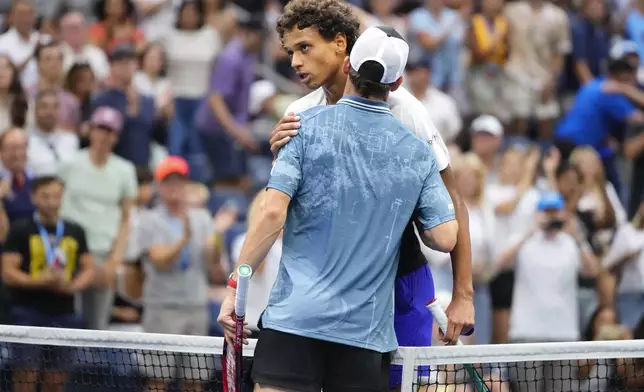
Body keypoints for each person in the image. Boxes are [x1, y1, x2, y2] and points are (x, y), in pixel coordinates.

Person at [219, 25, 458, 392]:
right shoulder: (417, 153)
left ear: (347, 67)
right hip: (363, 336)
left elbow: (270, 215)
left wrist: (236, 288)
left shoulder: (298, 127)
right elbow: (444, 236)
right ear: (395, 85)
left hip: (294, 322)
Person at [267, 1, 475, 363]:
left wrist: (463, 295)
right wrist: (280, 159)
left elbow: (453, 200)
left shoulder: (406, 110)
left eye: (305, 47)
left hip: (398, 281)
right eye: (290, 52)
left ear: (340, 46)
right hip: (323, 286)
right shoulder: (298, 115)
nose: (295, 62)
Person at [2, 175, 94, 392]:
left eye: (56, 196)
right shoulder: (21, 229)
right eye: (45, 196)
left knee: (56, 381)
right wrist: (39, 281)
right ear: (34, 197)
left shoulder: (75, 230)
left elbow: (89, 268)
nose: (52, 202)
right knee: (26, 377)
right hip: (27, 313)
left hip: (65, 314)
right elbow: (8, 272)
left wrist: (72, 286)